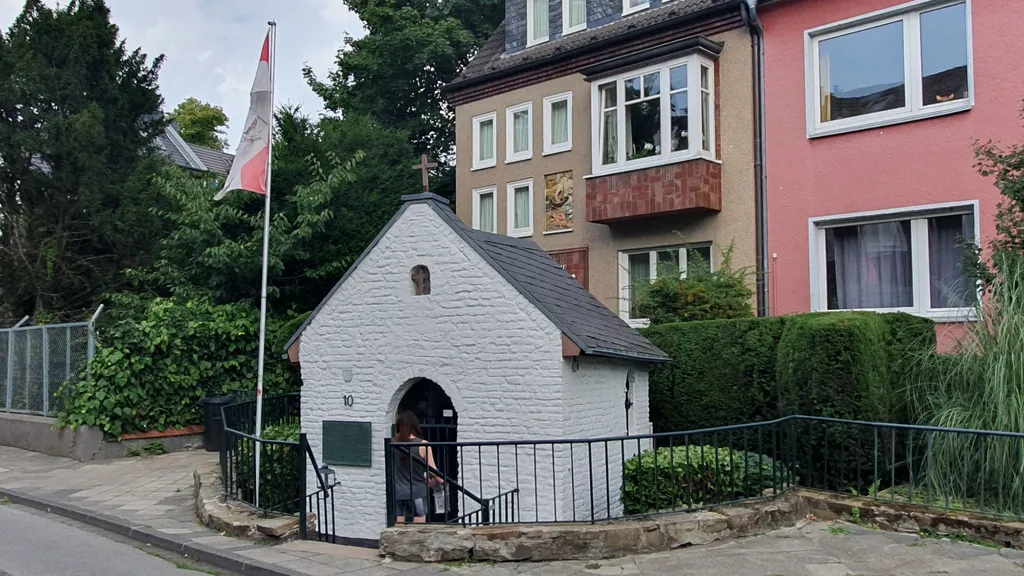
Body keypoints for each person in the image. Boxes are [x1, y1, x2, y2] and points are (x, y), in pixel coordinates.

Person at [392, 410, 443, 523]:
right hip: (418, 492)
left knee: (398, 523)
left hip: (398, 491)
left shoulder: (393, 443)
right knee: (419, 522)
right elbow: (432, 469)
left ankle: (399, 541)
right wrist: (442, 481)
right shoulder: (423, 444)